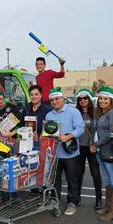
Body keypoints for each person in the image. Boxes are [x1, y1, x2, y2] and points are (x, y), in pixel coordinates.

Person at [45, 87, 85, 216]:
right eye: (52, 100)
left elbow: (80, 129)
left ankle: (72, 203)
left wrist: (68, 136)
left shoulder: (73, 112)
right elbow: (48, 132)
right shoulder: (49, 115)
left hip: (70, 153)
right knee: (55, 179)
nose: (54, 102)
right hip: (55, 153)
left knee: (71, 178)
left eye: (57, 99)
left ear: (62, 99)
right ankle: (55, 201)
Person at [90, 86, 113, 221]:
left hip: (109, 149)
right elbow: (94, 130)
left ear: (111, 100)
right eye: (101, 98)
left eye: (105, 99)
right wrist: (93, 144)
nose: (102, 101)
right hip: (100, 150)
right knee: (109, 179)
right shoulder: (100, 112)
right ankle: (108, 207)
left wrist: (96, 144)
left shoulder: (112, 112)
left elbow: (112, 132)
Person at [75, 88, 102, 210]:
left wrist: (95, 145)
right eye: (80, 99)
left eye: (85, 98)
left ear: (89, 99)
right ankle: (77, 197)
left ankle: (99, 199)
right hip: (79, 147)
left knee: (95, 173)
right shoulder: (75, 113)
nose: (82, 100)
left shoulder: (96, 113)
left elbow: (99, 130)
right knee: (78, 173)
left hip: (92, 147)